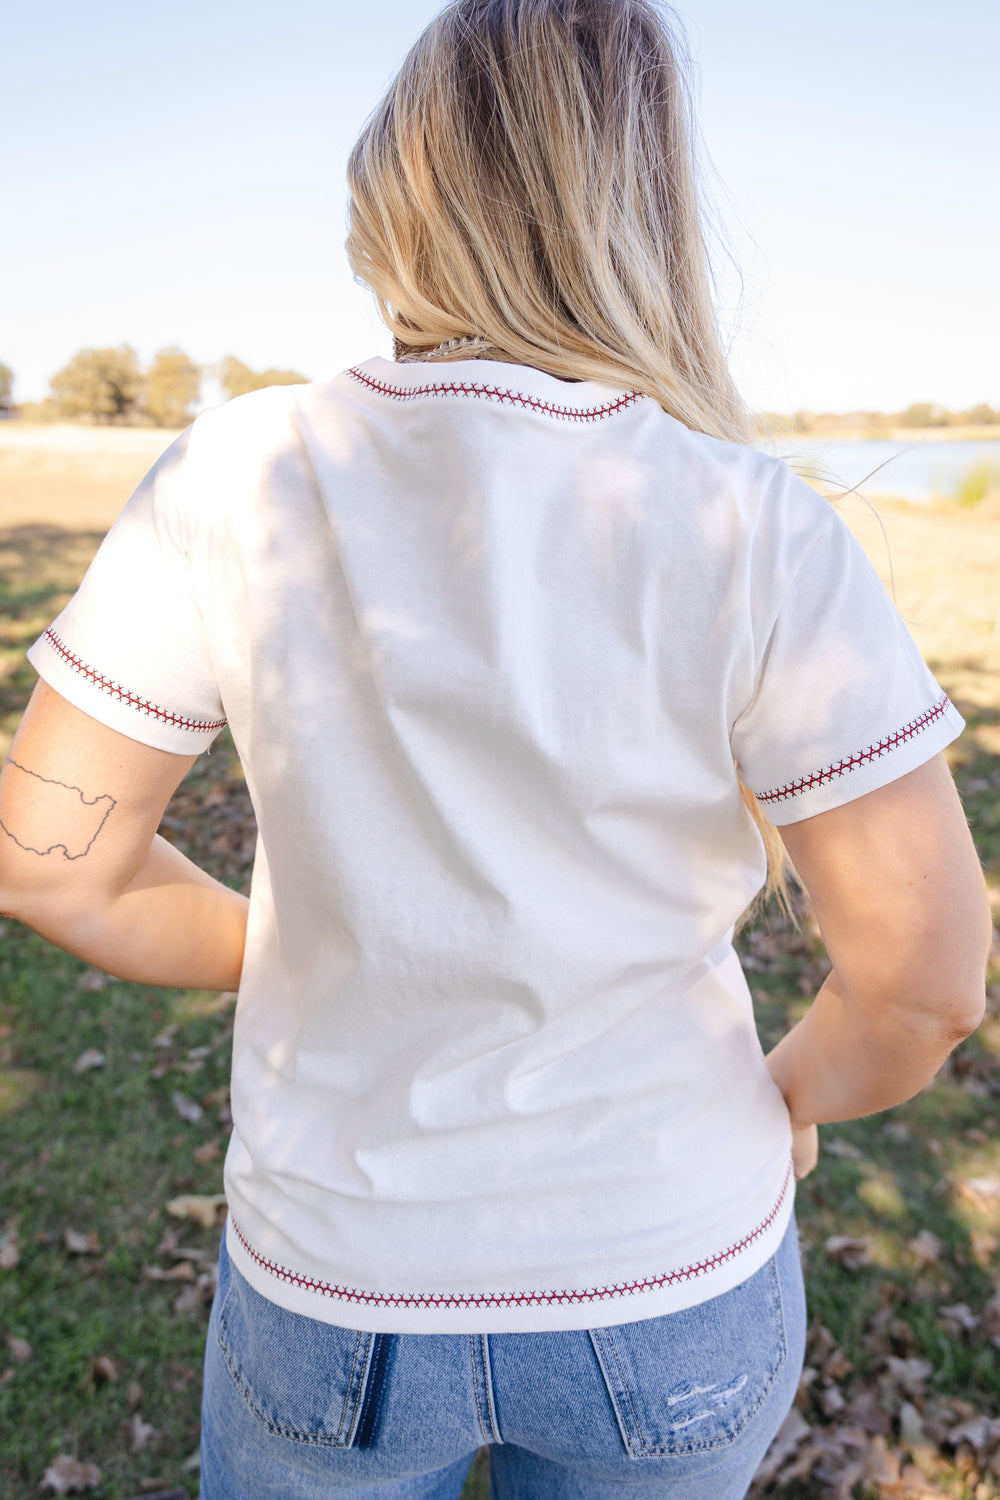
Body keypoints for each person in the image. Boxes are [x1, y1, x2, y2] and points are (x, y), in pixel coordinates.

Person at [0, 1, 990, 1496]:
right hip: (671, 1276)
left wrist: (277, 948)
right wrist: (785, 1092)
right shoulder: (750, 521)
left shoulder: (237, 476)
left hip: (334, 1284)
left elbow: (50, 862)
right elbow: (924, 980)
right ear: (641, 207)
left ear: (396, 188)